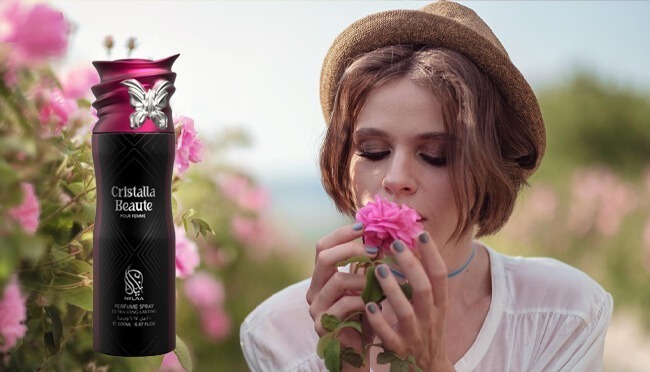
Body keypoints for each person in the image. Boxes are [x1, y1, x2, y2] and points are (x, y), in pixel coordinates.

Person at [240, 1, 613, 371]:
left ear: (490, 171)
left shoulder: (565, 314)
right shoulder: (277, 334)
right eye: (373, 151)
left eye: (436, 155)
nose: (396, 178)